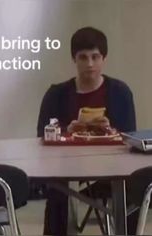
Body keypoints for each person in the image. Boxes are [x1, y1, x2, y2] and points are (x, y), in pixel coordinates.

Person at [37, 27, 136, 235]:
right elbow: (41, 136)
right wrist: (65, 131)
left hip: (111, 171)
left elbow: (130, 138)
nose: (90, 64)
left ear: (104, 58)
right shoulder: (56, 94)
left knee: (131, 188)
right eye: (83, 57)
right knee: (57, 191)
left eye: (95, 57)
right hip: (65, 169)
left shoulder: (120, 92)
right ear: (74, 59)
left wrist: (110, 130)